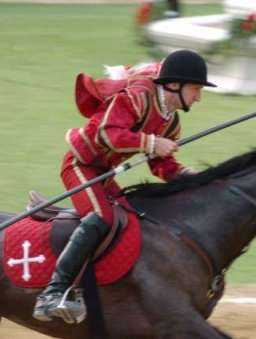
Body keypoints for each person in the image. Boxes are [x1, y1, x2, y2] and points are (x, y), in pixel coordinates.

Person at [33, 49, 216, 323]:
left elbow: (161, 166)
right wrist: (152, 143)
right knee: (100, 217)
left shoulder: (170, 123)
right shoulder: (139, 95)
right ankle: (52, 293)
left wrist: (192, 177)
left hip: (103, 174)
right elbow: (108, 133)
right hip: (80, 165)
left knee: (131, 221)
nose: (198, 97)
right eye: (195, 89)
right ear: (174, 85)